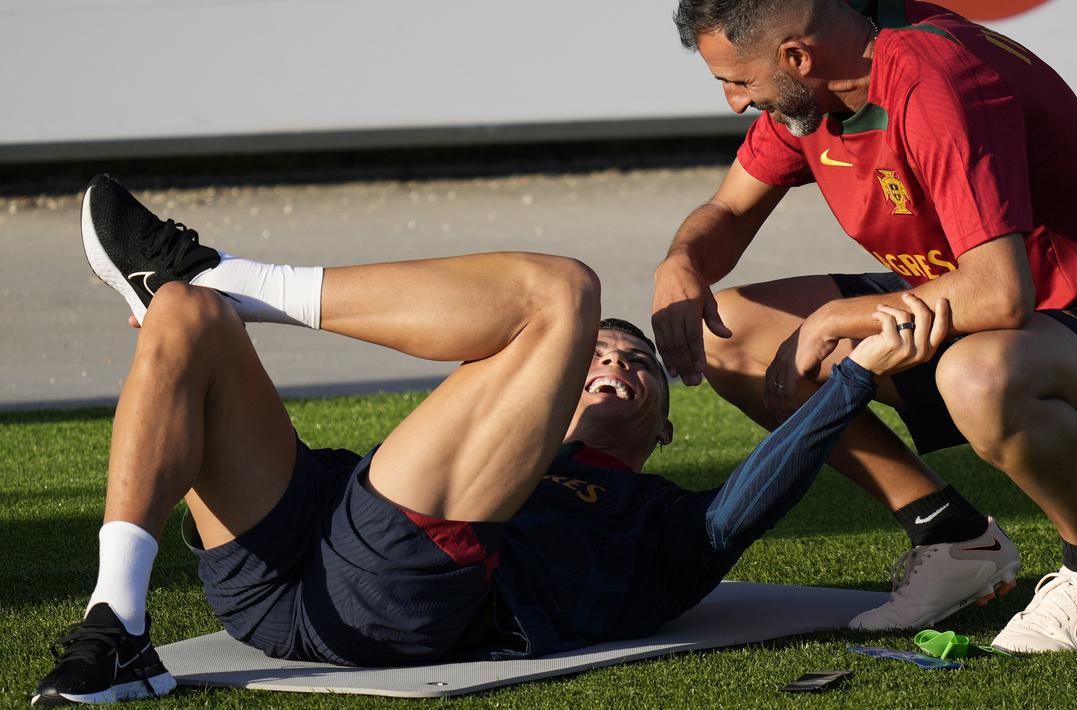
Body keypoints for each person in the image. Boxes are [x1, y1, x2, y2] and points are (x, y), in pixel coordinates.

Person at [32, 175, 950, 705]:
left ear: (666, 427)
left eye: (639, 368)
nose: (616, 366)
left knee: (560, 289)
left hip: (395, 590)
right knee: (182, 318)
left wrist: (853, 383)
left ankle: (233, 277)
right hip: (290, 542)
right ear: (554, 385)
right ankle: (117, 627)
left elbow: (747, 502)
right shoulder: (513, 424)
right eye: (596, 356)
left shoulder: (660, 518)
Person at [652, 0, 1077, 652]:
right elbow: (728, 209)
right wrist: (680, 263)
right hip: (976, 310)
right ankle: (949, 535)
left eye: (737, 82)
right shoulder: (820, 87)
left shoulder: (932, 78)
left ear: (796, 57)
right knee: (737, 333)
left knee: (975, 374)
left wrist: (834, 320)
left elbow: (998, 296)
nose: (734, 103)